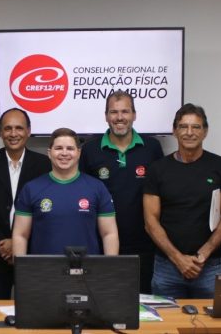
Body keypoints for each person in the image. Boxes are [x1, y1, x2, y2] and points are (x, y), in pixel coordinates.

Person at [143, 103, 221, 298]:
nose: (189, 132)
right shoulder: (157, 169)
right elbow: (150, 222)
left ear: (205, 131)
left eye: (196, 127)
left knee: (209, 318)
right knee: (166, 318)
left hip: (207, 266)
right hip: (167, 267)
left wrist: (203, 254)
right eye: (183, 126)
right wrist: (178, 258)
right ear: (174, 131)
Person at [79, 90, 164, 293]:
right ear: (106, 116)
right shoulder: (90, 149)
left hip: (144, 244)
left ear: (134, 115)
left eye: (125, 111)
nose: (119, 117)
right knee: (102, 300)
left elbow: (163, 190)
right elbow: (82, 196)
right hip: (101, 245)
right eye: (113, 112)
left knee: (141, 303)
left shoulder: (152, 147)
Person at [0, 108, 51, 298]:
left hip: (31, 254)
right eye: (7, 128)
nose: (13, 134)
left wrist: (19, 242)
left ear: (28, 131)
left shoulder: (44, 165)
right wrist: (1, 244)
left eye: (19, 128)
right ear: (0, 132)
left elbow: (45, 211)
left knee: (33, 309)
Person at [12, 127, 119, 256]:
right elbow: (20, 235)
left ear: (78, 153)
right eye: (58, 148)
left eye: (70, 148)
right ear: (49, 153)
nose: (64, 153)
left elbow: (109, 234)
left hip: (87, 267)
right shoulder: (31, 189)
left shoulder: (97, 188)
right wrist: (21, 267)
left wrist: (110, 267)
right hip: (43, 267)